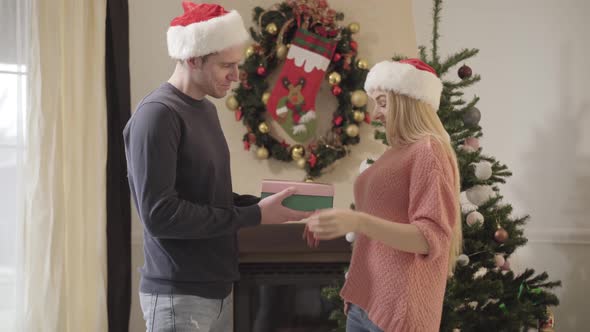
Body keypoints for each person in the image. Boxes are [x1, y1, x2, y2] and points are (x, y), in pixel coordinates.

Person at [123, 2, 310, 331]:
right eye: (227, 66)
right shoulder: (158, 115)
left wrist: (268, 206)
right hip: (179, 296)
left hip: (217, 289)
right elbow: (159, 215)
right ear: (193, 58)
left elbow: (209, 195)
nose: (236, 77)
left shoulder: (205, 110)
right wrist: (256, 215)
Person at [304, 58, 463, 331]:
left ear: (407, 101)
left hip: (399, 311)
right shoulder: (397, 153)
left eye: (383, 102)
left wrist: (357, 222)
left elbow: (430, 237)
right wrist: (334, 219)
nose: (375, 114)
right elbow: (382, 215)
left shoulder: (428, 151)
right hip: (366, 303)